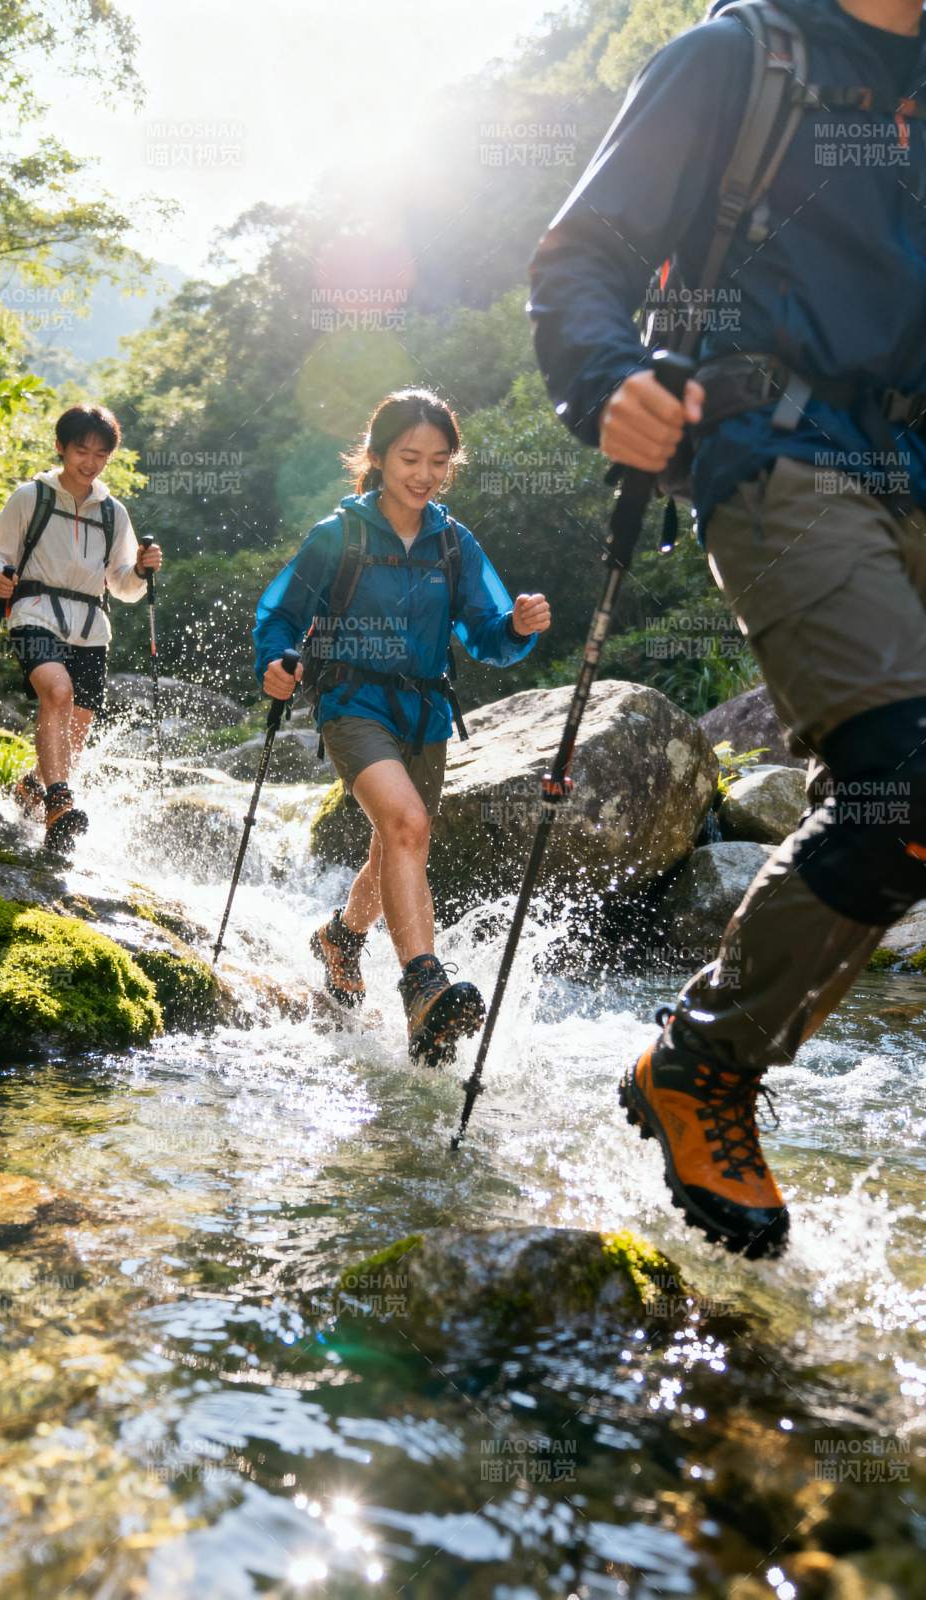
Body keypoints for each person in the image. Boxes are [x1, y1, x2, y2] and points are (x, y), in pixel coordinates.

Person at [529, 0, 926, 1259]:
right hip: (782, 453)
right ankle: (702, 1064)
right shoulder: (742, 58)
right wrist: (605, 381)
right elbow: (580, 257)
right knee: (902, 785)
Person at [254, 388, 551, 1065]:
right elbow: (279, 618)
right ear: (378, 457)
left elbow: (487, 633)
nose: (424, 474)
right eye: (410, 458)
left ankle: (341, 938)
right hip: (351, 705)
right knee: (408, 825)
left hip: (425, 715)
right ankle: (422, 984)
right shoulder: (339, 537)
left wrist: (517, 625)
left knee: (393, 847)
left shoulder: (454, 542)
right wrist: (277, 663)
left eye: (439, 461)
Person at [0, 403, 162, 856]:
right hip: (34, 611)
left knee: (78, 727)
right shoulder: (31, 497)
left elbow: (122, 585)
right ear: (61, 447)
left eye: (101, 454)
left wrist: (139, 568)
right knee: (57, 693)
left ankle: (33, 788)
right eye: (82, 450)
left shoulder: (113, 513)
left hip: (91, 627)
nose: (90, 461)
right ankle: (60, 800)